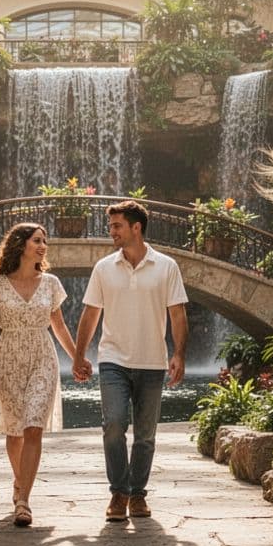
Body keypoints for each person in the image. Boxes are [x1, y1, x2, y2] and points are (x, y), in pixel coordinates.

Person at [72, 200, 188, 522]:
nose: (111, 232)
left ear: (136, 228)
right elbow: (90, 313)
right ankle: (118, 492)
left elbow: (177, 313)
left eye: (117, 226)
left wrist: (179, 353)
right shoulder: (103, 268)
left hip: (153, 362)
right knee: (113, 426)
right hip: (113, 360)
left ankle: (138, 494)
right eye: (111, 226)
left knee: (146, 435)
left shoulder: (166, 266)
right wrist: (80, 354)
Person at [0, 222, 77, 527]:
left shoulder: (51, 283)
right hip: (8, 357)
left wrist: (78, 358)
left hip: (42, 356)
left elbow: (59, 326)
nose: (43, 246)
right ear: (20, 244)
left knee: (34, 426)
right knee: (15, 430)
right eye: (37, 240)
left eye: (45, 241)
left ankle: (23, 501)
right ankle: (19, 482)